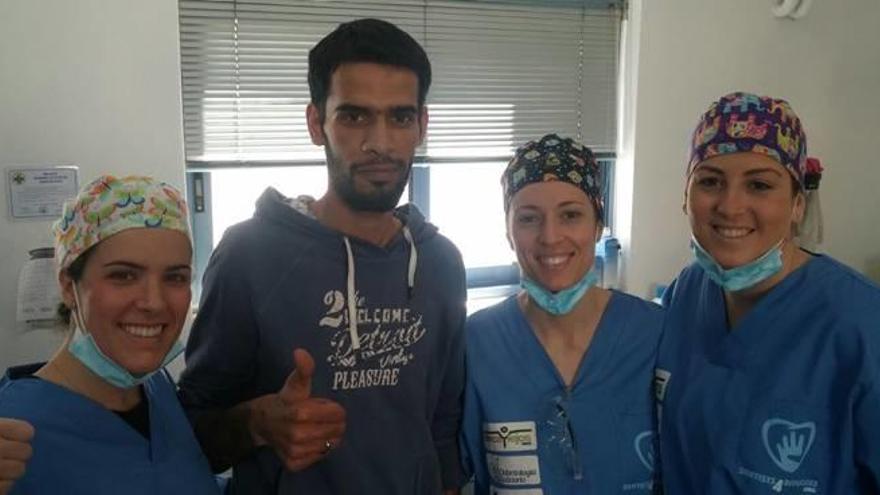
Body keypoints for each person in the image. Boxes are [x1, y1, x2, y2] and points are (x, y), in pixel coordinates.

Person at [177, 18, 467, 495]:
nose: (380, 142)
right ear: (317, 123)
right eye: (354, 117)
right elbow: (192, 429)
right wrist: (257, 422)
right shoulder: (250, 255)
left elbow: (442, 426)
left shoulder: (441, 263)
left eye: (400, 117)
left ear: (422, 125)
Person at [655, 92, 880, 493]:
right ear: (685, 194)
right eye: (710, 182)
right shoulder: (686, 294)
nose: (731, 205)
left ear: (797, 204)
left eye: (759, 185)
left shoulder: (861, 325)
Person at [460, 134, 662, 493]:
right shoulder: (478, 343)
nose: (550, 237)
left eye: (570, 215)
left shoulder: (655, 334)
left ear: (597, 225)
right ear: (508, 232)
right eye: (528, 218)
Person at [0, 175, 221, 494]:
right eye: (123, 275)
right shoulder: (13, 428)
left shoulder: (156, 390)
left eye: (175, 277)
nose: (154, 302)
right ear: (67, 286)